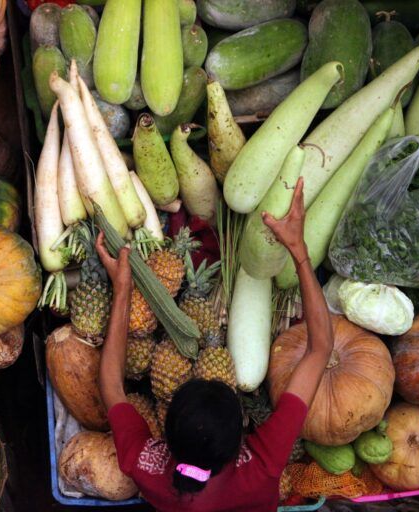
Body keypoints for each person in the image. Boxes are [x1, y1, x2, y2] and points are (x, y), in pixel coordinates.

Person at [96, 178, 333, 512]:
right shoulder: (262, 466)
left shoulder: (146, 467)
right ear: (242, 442)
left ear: (164, 436)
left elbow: (109, 386)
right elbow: (321, 348)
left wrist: (122, 289)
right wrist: (299, 251)